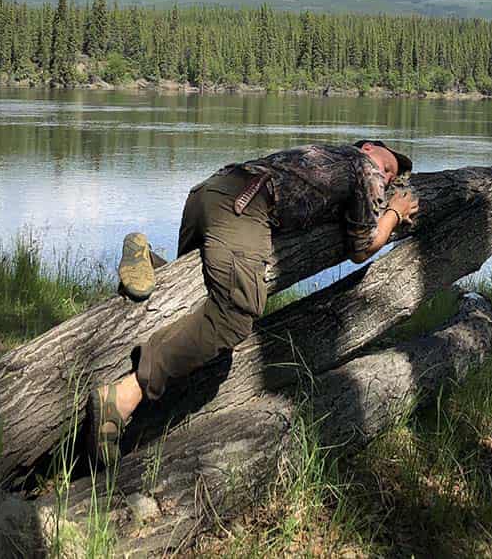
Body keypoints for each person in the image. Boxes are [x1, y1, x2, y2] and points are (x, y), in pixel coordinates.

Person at [88, 139, 419, 466]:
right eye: (387, 165)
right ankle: (120, 397)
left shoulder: (325, 159)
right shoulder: (363, 165)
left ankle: (150, 261)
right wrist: (394, 211)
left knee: (193, 308)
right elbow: (363, 246)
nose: (387, 176)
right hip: (246, 206)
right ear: (367, 149)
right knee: (233, 317)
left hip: (212, 191)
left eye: (392, 177)